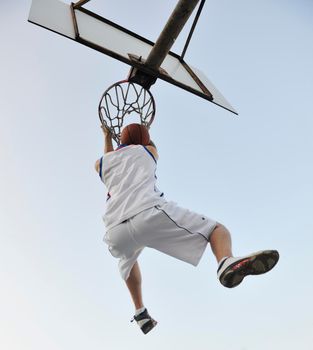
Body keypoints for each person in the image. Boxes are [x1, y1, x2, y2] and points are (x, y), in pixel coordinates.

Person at [95, 123, 279, 335]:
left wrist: (107, 137)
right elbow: (151, 146)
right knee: (217, 230)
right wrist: (146, 131)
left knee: (127, 261)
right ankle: (225, 262)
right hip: (147, 213)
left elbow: (108, 159)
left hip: (115, 231)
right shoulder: (148, 152)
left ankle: (140, 312)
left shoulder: (101, 164)